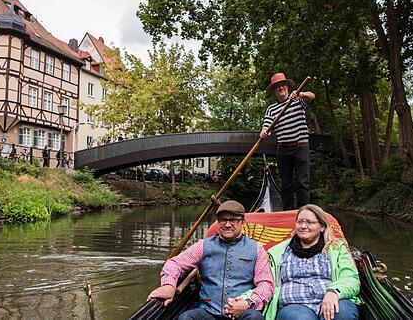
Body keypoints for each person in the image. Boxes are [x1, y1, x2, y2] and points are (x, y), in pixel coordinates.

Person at [147, 200, 274, 320]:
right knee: (185, 318)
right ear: (218, 222)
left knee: (255, 318)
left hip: (241, 313)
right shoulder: (203, 246)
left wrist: (247, 303)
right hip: (208, 312)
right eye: (223, 220)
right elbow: (174, 263)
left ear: (242, 222)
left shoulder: (256, 249)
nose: (228, 224)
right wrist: (169, 285)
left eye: (233, 220)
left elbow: (266, 284)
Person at [262, 204, 361, 320]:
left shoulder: (336, 248)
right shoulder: (277, 252)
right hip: (294, 305)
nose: (303, 226)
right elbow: (265, 282)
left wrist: (334, 292)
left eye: (310, 222)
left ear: (322, 226)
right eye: (300, 222)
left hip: (333, 298)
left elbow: (351, 279)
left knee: (343, 315)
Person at [260, 73, 316, 210]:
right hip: (283, 150)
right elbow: (267, 126)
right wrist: (263, 131)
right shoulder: (271, 109)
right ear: (274, 90)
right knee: (286, 185)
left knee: (302, 183)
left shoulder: (298, 100)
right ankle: (288, 213)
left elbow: (312, 96)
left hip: (300, 146)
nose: (281, 87)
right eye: (277, 86)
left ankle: (304, 213)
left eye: (282, 85)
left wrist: (301, 94)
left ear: (287, 86)